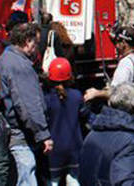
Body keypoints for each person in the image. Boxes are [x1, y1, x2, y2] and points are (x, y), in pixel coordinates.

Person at [0, 22, 53, 186]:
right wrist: (43, 134)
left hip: (7, 134)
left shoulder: (1, 61)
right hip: (19, 136)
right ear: (27, 41)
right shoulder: (20, 66)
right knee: (26, 178)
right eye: (36, 42)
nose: (36, 48)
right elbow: (27, 105)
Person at [44, 58, 88, 186]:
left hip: (53, 151)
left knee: (53, 181)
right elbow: (86, 116)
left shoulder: (46, 99)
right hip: (75, 148)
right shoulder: (77, 96)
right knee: (74, 180)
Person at [85, 25, 134, 102]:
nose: (116, 46)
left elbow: (115, 92)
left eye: (117, 42)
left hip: (127, 110)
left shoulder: (126, 62)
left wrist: (95, 93)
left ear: (123, 43)